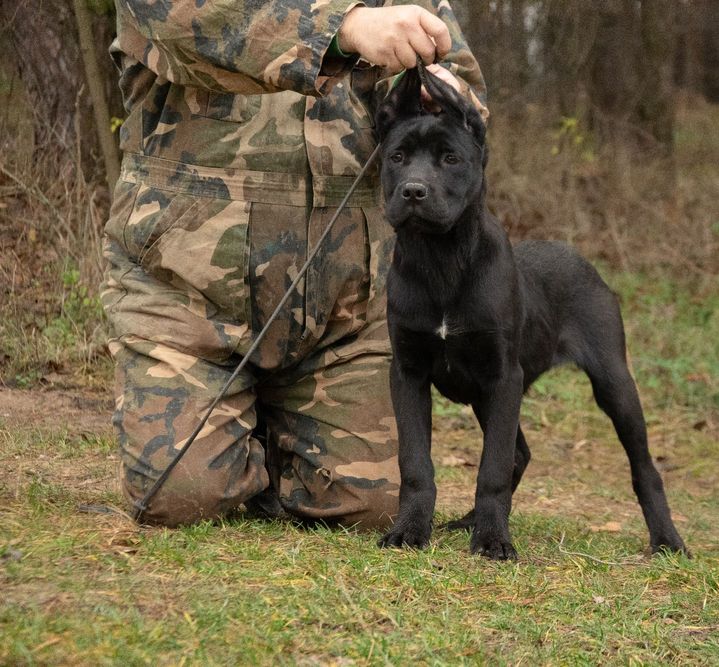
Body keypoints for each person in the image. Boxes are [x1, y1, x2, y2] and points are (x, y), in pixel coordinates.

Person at [100, 1, 487, 528]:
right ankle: (230, 423)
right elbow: (183, 22)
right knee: (183, 496)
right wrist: (346, 29)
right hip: (187, 298)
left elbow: (465, 90)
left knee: (378, 509)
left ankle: (274, 425)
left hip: (345, 309)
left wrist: (442, 98)